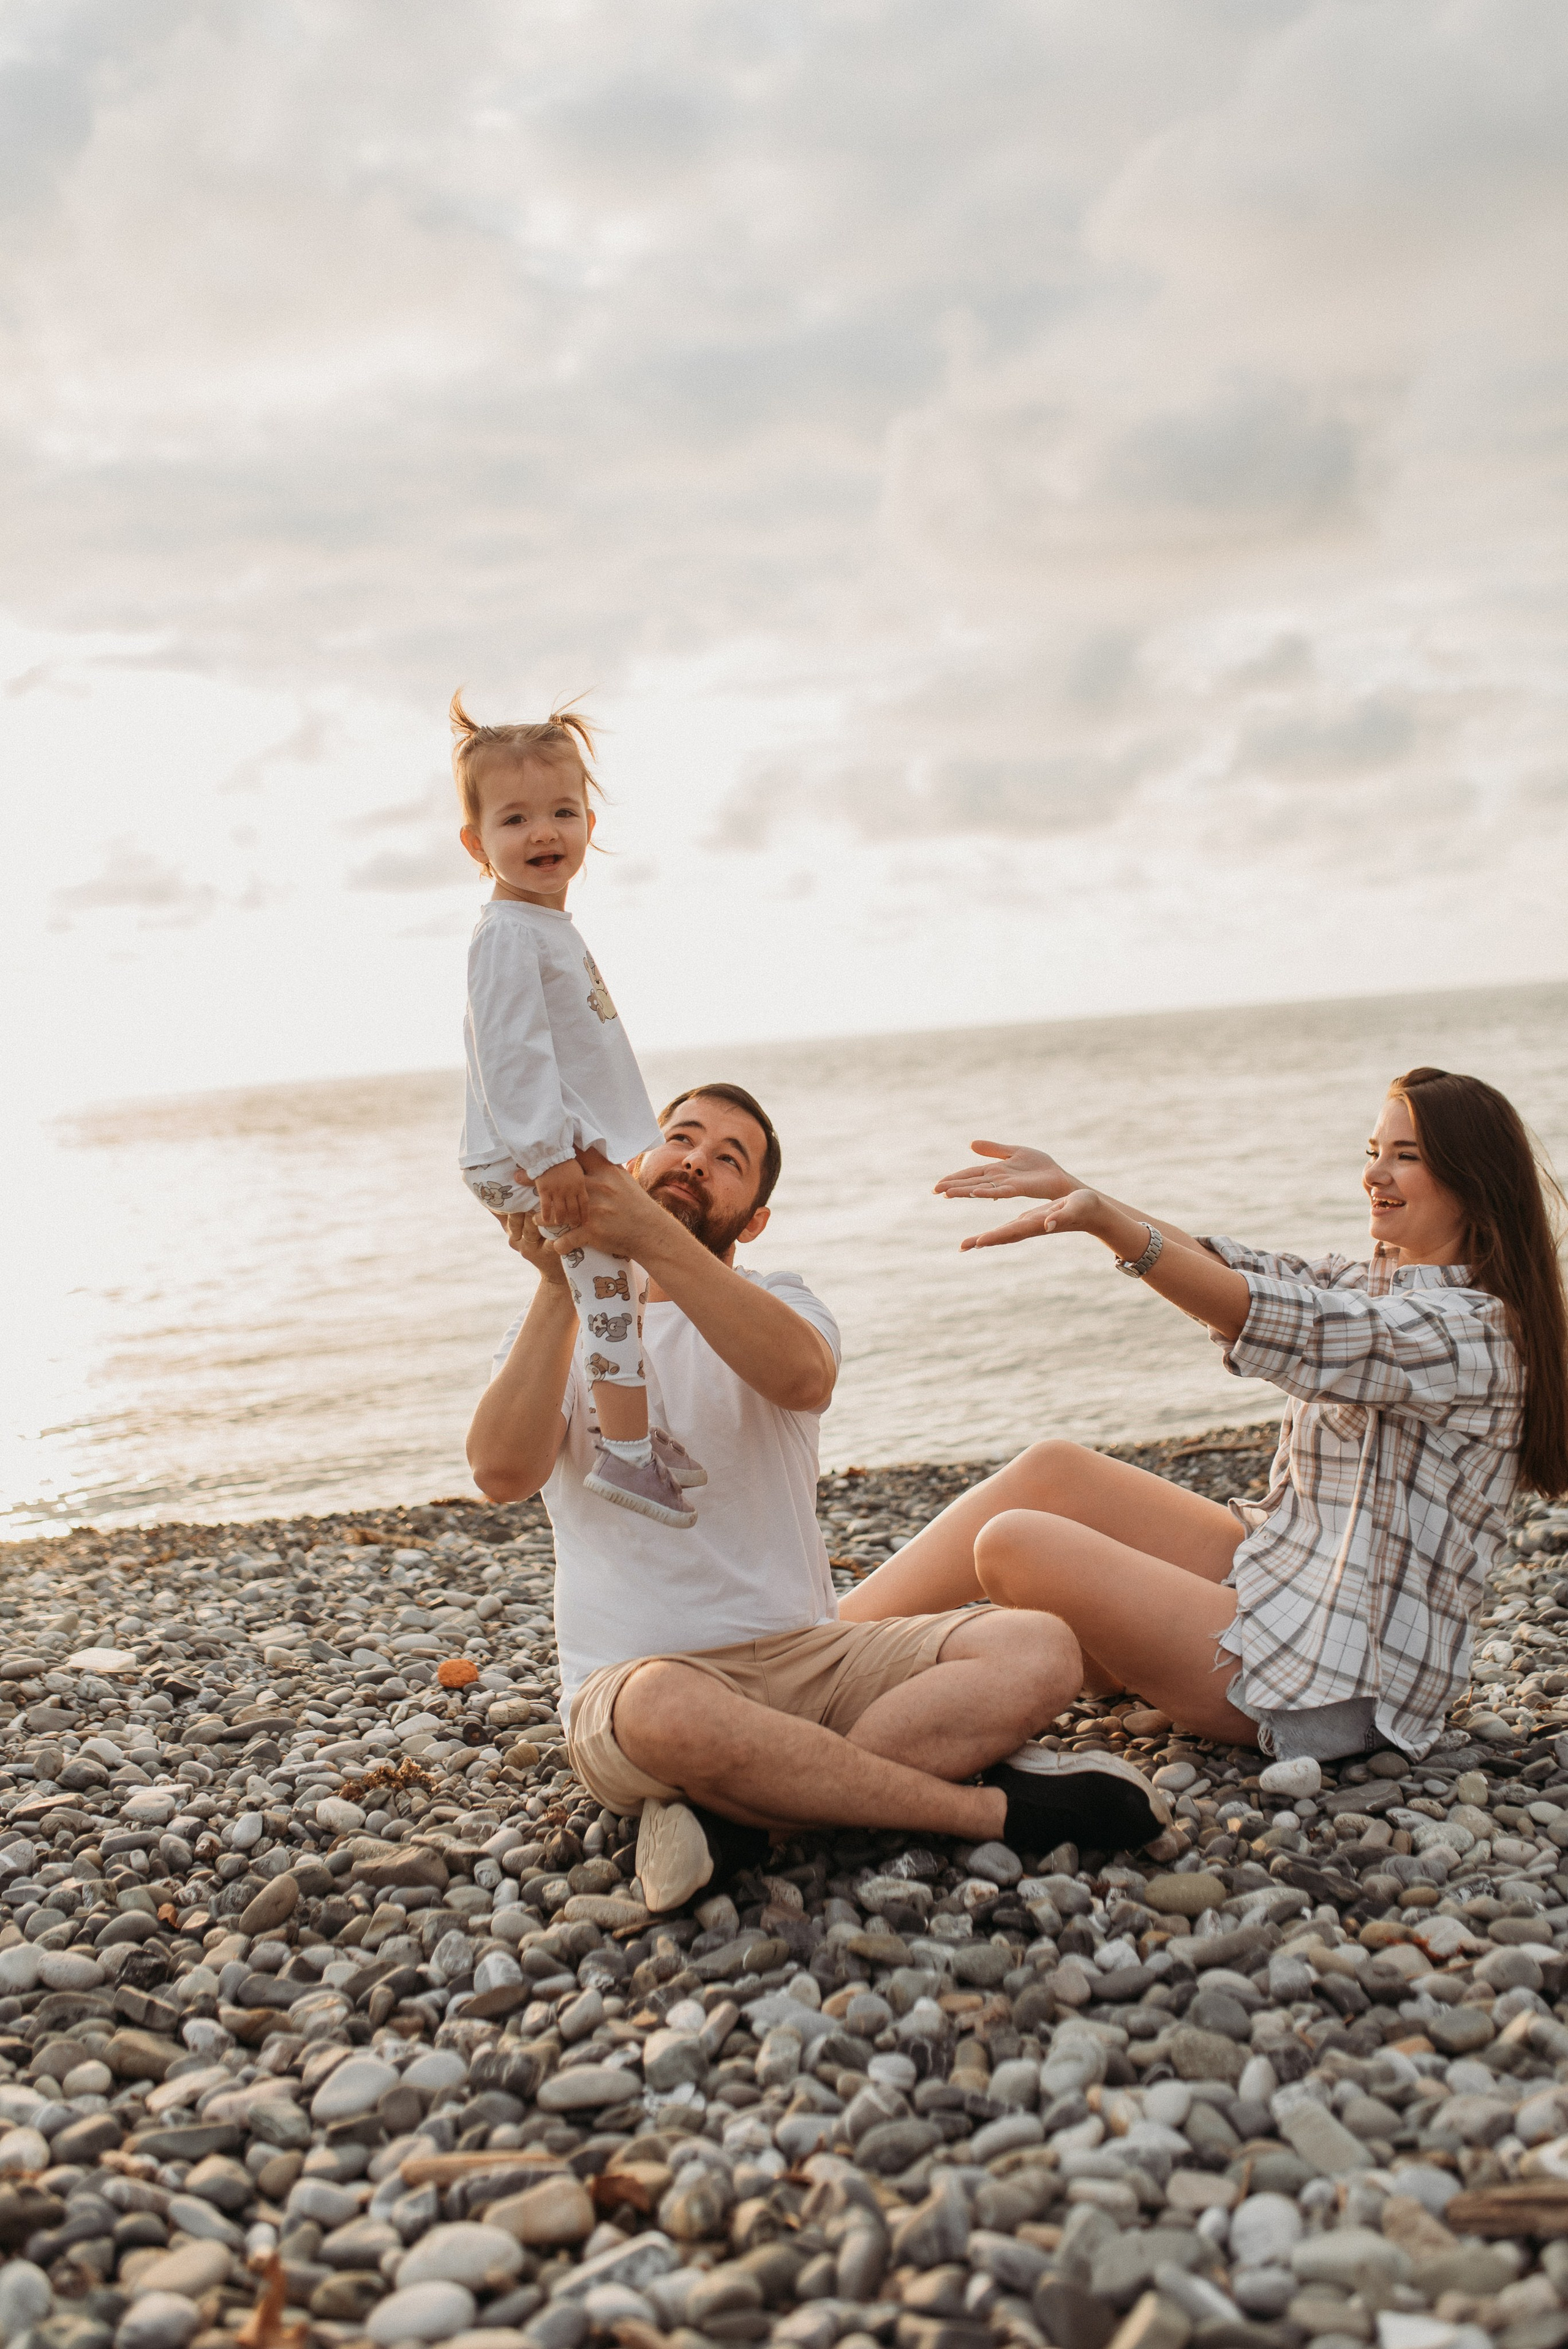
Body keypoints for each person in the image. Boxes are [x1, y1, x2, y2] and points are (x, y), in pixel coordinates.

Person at [467, 1084, 1170, 1909]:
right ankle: (983, 1812)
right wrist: (561, 1277)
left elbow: (800, 1374)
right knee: (666, 1705)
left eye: (730, 1159)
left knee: (1042, 1647)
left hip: (812, 1662)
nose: (696, 1157)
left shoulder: (784, 1300)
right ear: (634, 1161)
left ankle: (748, 1819)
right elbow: (499, 1473)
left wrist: (646, 1234)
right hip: (635, 1683)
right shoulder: (563, 1328)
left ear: (754, 1218)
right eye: (681, 1138)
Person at [842, 1067, 1568, 1771]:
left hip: (1336, 1681)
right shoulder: (1378, 1282)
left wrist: (1115, 1234)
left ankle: (842, 1673)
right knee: (1052, 1469)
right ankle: (819, 1640)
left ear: (1475, 1182)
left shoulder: (1467, 1332)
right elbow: (1234, 1268)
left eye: (1405, 1157)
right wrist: (1081, 1195)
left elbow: (1271, 1318)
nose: (1375, 1174)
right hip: (1286, 1578)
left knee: (1014, 1545)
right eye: (1373, 1152)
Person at [452, 693, 701, 1531]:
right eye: (515, 817)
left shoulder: (545, 927)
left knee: (612, 1285)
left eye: (562, 810)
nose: (543, 831)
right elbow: (512, 1054)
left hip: (551, 1147)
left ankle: (631, 1434)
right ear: (474, 842)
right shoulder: (508, 934)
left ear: (590, 823)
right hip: (534, 1154)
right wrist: (553, 1158)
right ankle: (627, 1457)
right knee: (603, 1290)